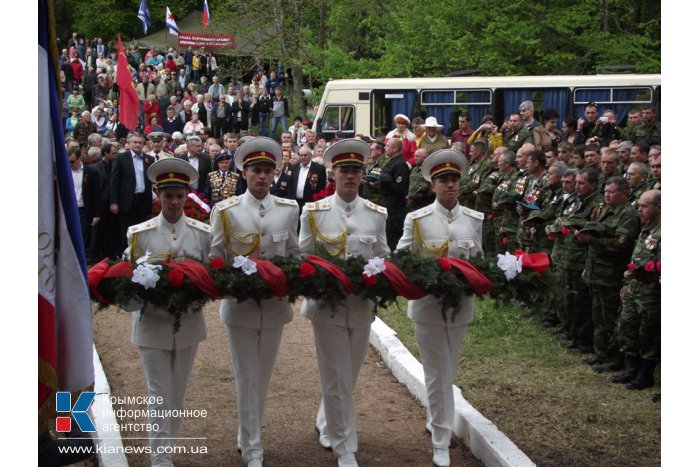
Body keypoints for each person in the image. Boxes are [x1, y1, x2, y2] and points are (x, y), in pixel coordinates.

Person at [299, 139, 390, 467]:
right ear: (332, 174)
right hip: (327, 307)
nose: (350, 176)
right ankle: (345, 445)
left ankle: (326, 421)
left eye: (355, 171)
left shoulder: (376, 214)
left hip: (361, 306)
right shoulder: (313, 212)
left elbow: (384, 254)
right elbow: (303, 255)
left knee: (347, 373)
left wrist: (379, 274)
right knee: (334, 373)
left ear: (362, 175)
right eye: (344, 171)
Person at [209, 137, 300, 467]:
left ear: (274, 175)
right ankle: (252, 444)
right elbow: (214, 257)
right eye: (255, 171)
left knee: (262, 375)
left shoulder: (289, 210)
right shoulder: (226, 211)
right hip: (240, 308)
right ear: (243, 173)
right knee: (246, 375)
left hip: (275, 308)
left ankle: (246, 432)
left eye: (266, 171)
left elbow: (293, 254)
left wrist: (287, 278)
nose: (262, 177)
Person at [396, 149, 483, 467]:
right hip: (428, 306)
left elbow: (480, 262)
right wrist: (421, 276)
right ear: (432, 185)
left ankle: (437, 421)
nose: (449, 185)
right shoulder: (416, 219)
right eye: (443, 180)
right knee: (436, 372)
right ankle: (440, 439)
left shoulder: (474, 221)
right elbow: (401, 256)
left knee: (449, 368)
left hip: (460, 307)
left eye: (453, 180)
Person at [123, 158, 211, 467]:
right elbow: (126, 285)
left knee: (177, 390)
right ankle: (160, 457)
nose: (173, 202)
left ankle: (166, 449)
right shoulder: (140, 234)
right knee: (158, 391)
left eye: (179, 195)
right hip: (152, 325)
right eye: (167, 195)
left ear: (187, 196)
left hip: (187, 324)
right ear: (157, 195)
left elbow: (210, 278)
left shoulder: (202, 233)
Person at [574, 177, 640, 371]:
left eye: (611, 192)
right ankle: (600, 353)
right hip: (597, 270)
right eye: (606, 192)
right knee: (598, 315)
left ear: (624, 193)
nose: (607, 195)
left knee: (610, 317)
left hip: (611, 272)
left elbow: (621, 245)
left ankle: (613, 358)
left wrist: (591, 241)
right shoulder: (603, 209)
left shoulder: (627, 214)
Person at [612, 189, 661, 390]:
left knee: (648, 333)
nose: (639, 210)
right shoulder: (646, 228)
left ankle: (646, 374)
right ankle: (631, 369)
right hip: (635, 288)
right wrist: (627, 284)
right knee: (628, 327)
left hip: (651, 293)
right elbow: (636, 258)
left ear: (658, 208)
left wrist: (642, 274)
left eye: (643, 206)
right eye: (639, 206)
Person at [109, 132, 155, 250]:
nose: (138, 145)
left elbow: (152, 180)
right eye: (135, 142)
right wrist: (113, 202)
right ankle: (126, 256)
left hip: (143, 200)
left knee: (143, 230)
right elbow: (114, 181)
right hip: (127, 201)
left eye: (140, 143)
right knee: (127, 230)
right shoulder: (121, 158)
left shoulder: (149, 159)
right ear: (128, 143)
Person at [377, 137, 410, 250]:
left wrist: (386, 183)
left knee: (392, 238)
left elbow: (400, 189)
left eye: (387, 146)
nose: (385, 148)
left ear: (395, 148)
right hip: (387, 203)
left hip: (395, 208)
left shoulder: (400, 164)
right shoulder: (391, 162)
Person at [289, 144, 327, 213]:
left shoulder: (319, 168)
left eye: (305, 155)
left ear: (310, 156)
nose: (303, 157)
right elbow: (291, 185)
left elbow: (322, 187)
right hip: (295, 203)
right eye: (301, 155)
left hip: (310, 204)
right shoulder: (294, 167)